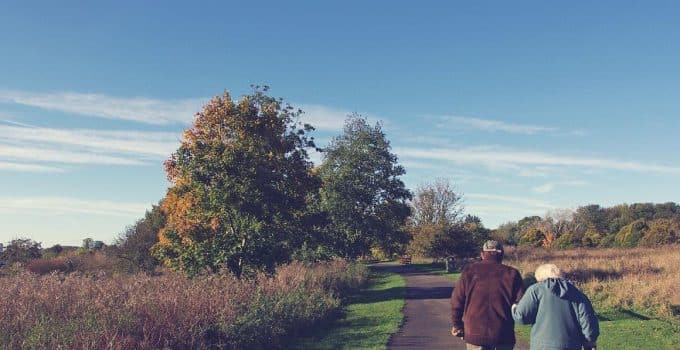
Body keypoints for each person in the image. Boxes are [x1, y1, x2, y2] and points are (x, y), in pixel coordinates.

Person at [451, 240, 525, 350]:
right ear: (501, 255)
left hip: (475, 334)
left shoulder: (469, 271)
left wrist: (457, 325)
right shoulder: (512, 273)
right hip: (503, 335)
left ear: (482, 254)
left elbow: (457, 301)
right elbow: (521, 303)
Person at [511, 264, 599, 350]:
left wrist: (514, 307)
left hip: (541, 346)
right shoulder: (576, 292)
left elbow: (521, 317)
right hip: (571, 345)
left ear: (540, 277)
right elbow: (587, 320)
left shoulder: (535, 290)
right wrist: (589, 341)